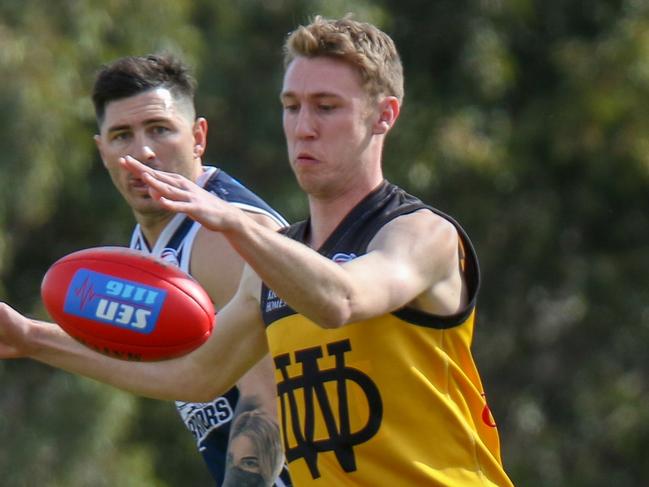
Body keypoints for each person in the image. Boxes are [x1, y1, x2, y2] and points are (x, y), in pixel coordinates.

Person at [0, 16, 513, 486]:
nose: (303, 127)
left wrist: (234, 223)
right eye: (292, 107)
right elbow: (196, 373)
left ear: (384, 116)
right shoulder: (275, 258)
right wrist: (31, 338)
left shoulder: (421, 235)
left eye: (326, 107)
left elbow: (342, 300)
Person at [24, 53, 292, 486]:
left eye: (160, 130)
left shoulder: (222, 238)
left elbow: (266, 403)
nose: (142, 152)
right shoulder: (150, 243)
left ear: (198, 137)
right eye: (121, 136)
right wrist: (27, 334)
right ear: (102, 150)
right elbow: (181, 375)